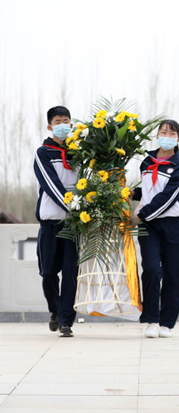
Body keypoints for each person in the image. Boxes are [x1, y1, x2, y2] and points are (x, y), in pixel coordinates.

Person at [132, 120, 179, 339]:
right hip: (149, 225)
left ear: (178, 139)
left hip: (173, 223)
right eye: (163, 132)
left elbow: (167, 197)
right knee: (151, 269)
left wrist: (141, 214)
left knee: (173, 273)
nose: (167, 136)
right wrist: (133, 193)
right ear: (157, 136)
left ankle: (167, 322)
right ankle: (151, 320)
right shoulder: (146, 162)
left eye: (172, 133)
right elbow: (150, 191)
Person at [33, 106, 78, 337]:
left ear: (71, 124)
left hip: (75, 224)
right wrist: (73, 205)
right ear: (50, 126)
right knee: (48, 271)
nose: (62, 125)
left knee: (70, 273)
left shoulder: (80, 153)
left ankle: (66, 320)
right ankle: (55, 309)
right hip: (51, 221)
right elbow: (51, 185)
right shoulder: (43, 153)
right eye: (58, 121)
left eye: (66, 121)